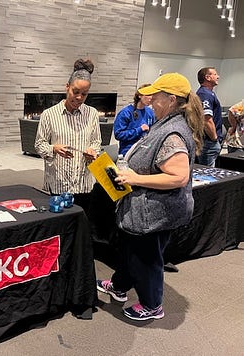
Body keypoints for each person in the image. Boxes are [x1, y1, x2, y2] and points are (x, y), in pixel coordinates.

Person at [96, 73, 204, 321]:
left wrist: (135, 179)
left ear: (171, 100)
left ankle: (152, 305)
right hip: (143, 210)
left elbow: (178, 177)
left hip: (154, 213)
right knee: (129, 251)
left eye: (155, 97)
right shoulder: (163, 123)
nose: (150, 101)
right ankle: (120, 285)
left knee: (146, 258)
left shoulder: (173, 132)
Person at [34, 58, 102, 210]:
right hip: (59, 181)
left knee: (83, 225)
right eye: (75, 92)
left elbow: (96, 142)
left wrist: (93, 151)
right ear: (67, 87)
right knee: (61, 225)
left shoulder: (92, 114)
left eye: (84, 94)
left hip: (84, 183)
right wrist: (54, 149)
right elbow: (39, 144)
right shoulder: (49, 114)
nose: (79, 98)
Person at [113, 84, 155, 156]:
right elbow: (118, 135)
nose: (150, 98)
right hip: (128, 152)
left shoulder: (150, 112)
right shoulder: (126, 112)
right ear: (140, 96)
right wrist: (139, 130)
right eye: (147, 95)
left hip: (145, 151)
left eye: (152, 95)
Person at [196, 67, 223, 166]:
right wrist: (214, 138)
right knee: (208, 173)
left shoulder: (209, 93)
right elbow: (206, 119)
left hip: (210, 142)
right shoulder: (204, 94)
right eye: (215, 74)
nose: (218, 77)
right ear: (207, 77)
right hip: (208, 142)